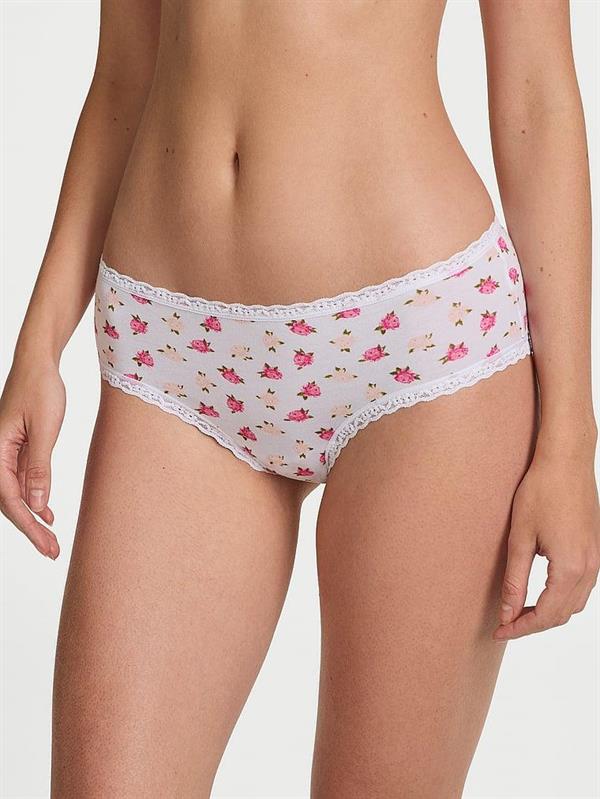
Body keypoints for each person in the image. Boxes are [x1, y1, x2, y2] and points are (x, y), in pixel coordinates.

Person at [1, 2, 599, 797]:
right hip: (174, 355)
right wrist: (40, 342)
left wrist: (569, 440)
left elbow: (536, 93)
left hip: (418, 345)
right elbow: (122, 74)